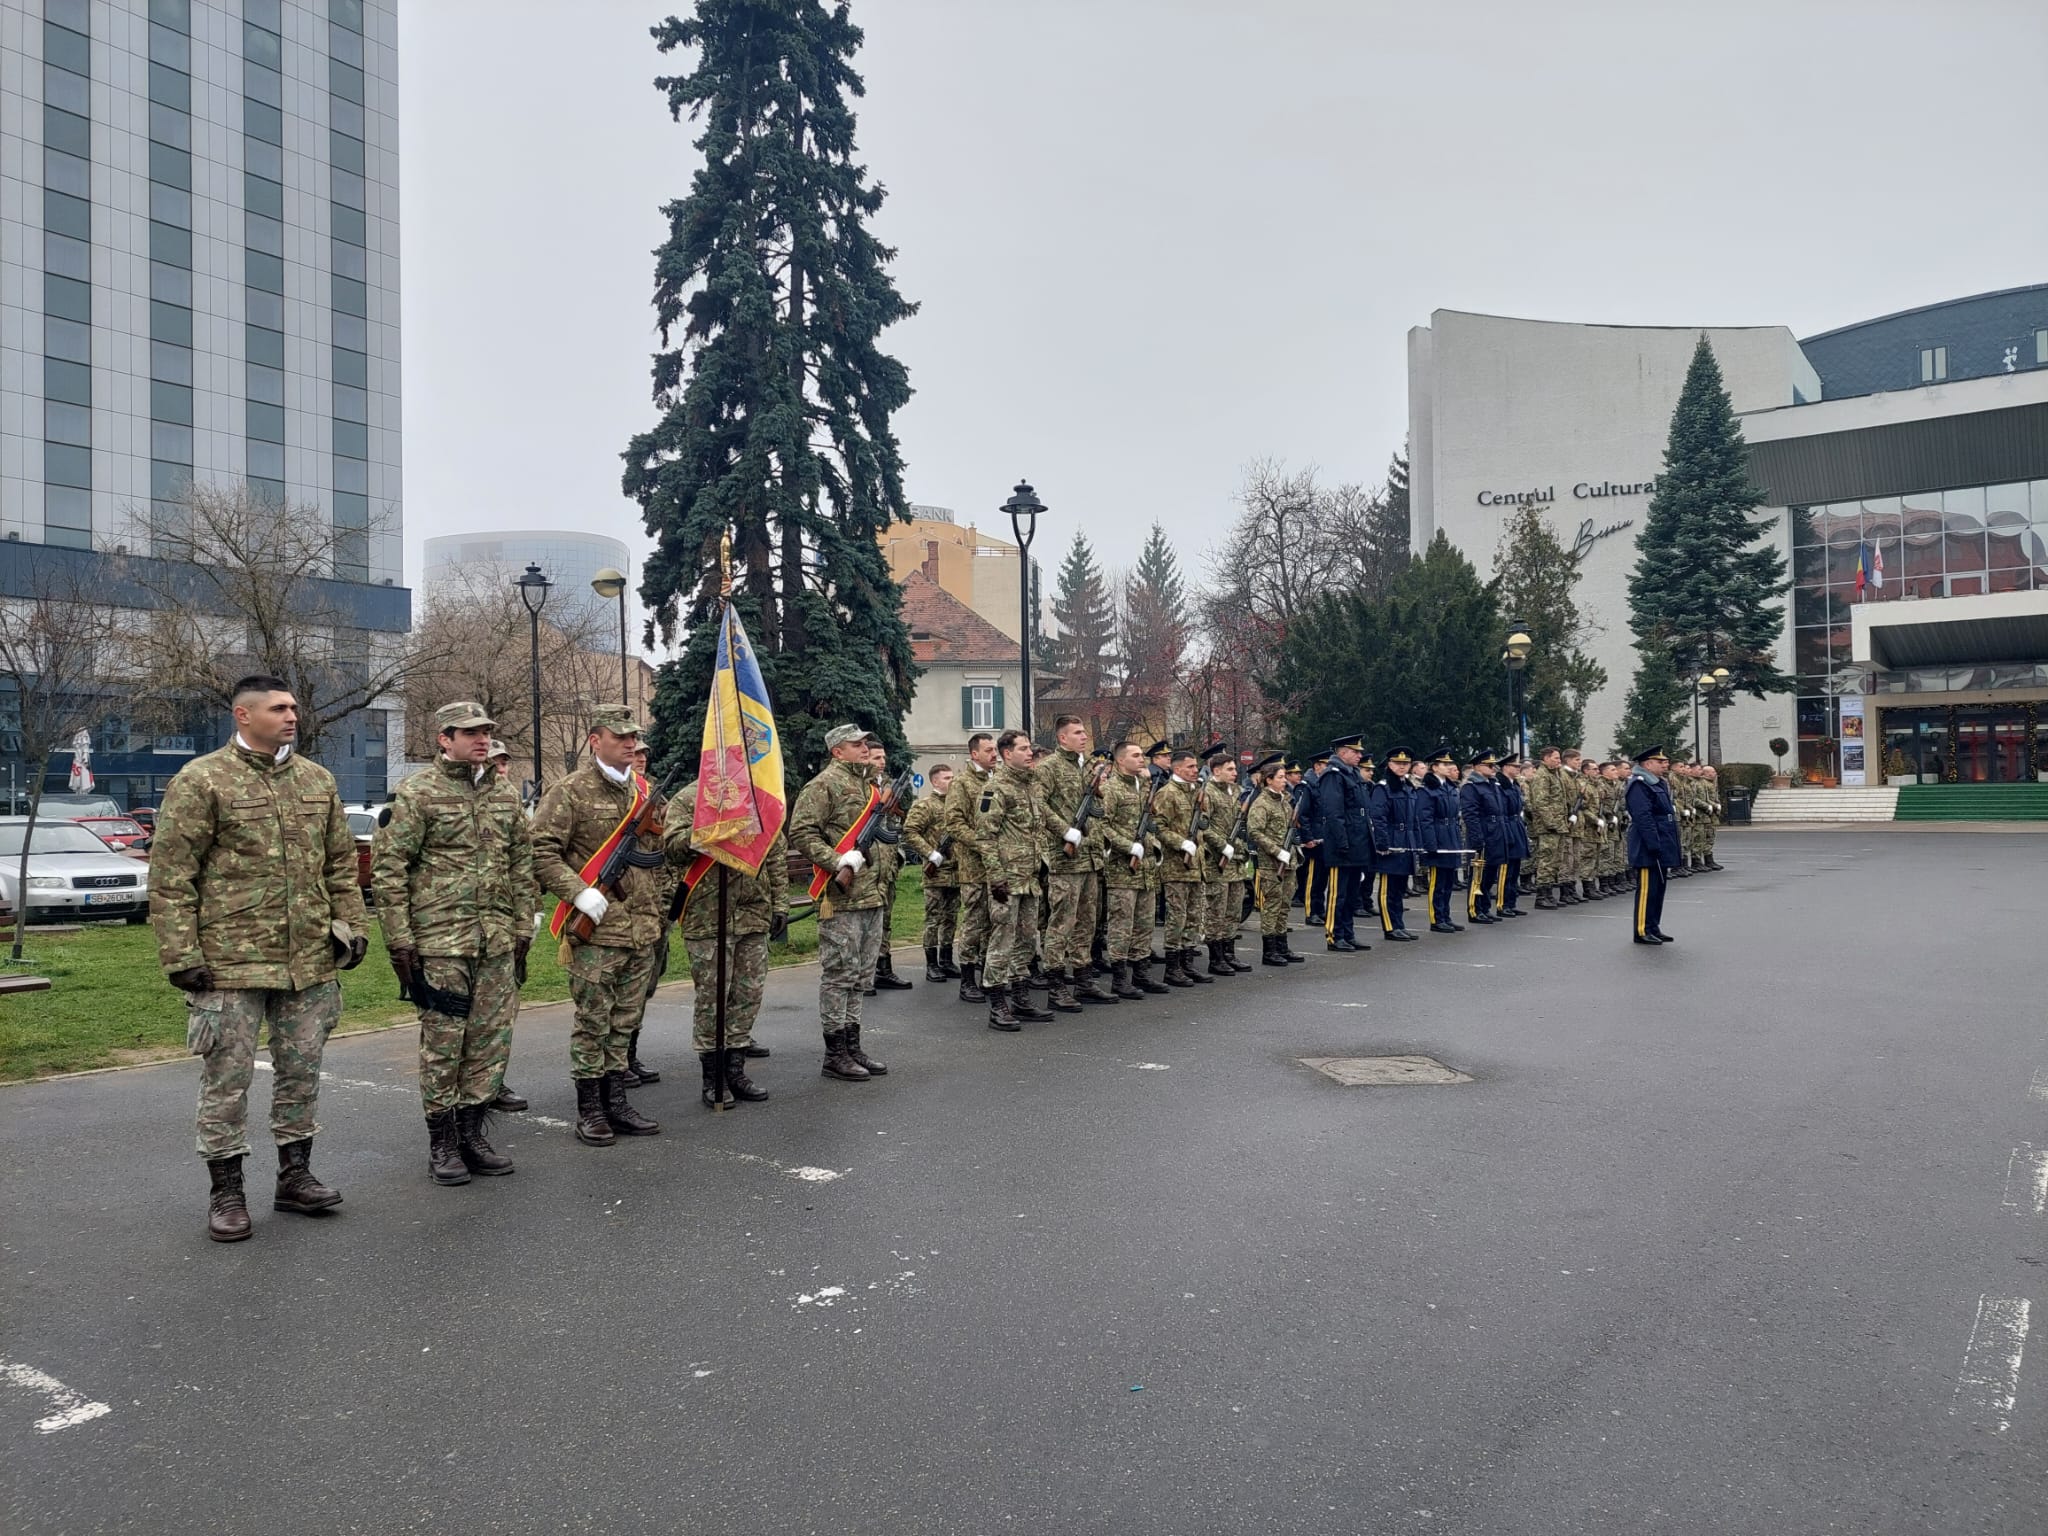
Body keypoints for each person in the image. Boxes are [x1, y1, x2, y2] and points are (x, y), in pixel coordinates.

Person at [151, 674, 369, 1242]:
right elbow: (172, 875)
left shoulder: (316, 780)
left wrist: (352, 928)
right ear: (243, 716)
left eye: (294, 706)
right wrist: (181, 954)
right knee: (228, 1080)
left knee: (301, 1075)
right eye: (278, 708)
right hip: (229, 962)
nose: (292, 715)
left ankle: (294, 1177)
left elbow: (341, 865)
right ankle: (227, 1193)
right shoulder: (202, 780)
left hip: (309, 961)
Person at [373, 700, 536, 1185]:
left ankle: (472, 1133)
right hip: (440, 942)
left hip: (496, 942)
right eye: (469, 733)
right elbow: (389, 871)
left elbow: (521, 864)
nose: (481, 739)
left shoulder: (504, 795)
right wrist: (400, 943)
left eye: (486, 731)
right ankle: (442, 1143)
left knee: (489, 1043)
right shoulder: (417, 793)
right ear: (444, 738)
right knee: (444, 1046)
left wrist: (523, 926)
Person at [531, 707, 666, 1145]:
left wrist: (660, 908)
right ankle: (590, 1108)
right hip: (597, 929)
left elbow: (657, 856)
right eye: (620, 736)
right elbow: (541, 851)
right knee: (594, 1022)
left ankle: (617, 1102)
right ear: (595, 740)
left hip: (640, 927)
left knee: (625, 1021)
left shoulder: (644, 792)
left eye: (634, 737)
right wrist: (578, 893)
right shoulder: (568, 792)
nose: (630, 743)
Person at [664, 783, 785, 1106]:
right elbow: (672, 847)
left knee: (747, 995)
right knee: (713, 997)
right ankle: (712, 1077)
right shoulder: (689, 798)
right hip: (708, 914)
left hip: (753, 912)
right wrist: (711, 826)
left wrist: (781, 904)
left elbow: (774, 852)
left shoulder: (757, 797)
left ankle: (736, 1069)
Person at [788, 724, 894, 1078]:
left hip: (872, 894)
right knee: (839, 975)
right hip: (842, 897)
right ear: (837, 751)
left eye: (866, 742)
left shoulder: (869, 784)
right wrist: (837, 862)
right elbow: (801, 832)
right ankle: (835, 1053)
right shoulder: (823, 785)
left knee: (862, 976)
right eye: (856, 744)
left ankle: (853, 1045)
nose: (865, 748)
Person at [1035, 715, 1112, 1010]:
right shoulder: (1048, 768)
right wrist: (1063, 830)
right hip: (1064, 859)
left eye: (1084, 732)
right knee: (1061, 924)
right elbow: (1038, 804)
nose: (1084, 737)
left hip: (1090, 858)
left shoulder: (1087, 768)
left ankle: (1083, 980)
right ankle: (1056, 985)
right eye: (1077, 733)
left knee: (1086, 923)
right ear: (1062, 738)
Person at [975, 729, 1051, 1030]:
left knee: (1026, 941)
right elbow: (985, 836)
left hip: (1030, 877)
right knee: (1002, 942)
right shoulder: (996, 789)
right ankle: (997, 1004)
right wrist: (996, 877)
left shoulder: (1031, 785)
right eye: (1023, 748)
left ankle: (1021, 997)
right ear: (1007, 754)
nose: (1029, 752)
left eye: (1030, 747)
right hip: (1006, 879)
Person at [1148, 747, 1211, 986]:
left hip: (1196, 865)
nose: (1196, 770)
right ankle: (1172, 967)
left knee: (1193, 916)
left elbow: (1202, 822)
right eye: (1191, 767)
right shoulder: (1168, 793)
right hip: (1176, 866)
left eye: (1196, 766)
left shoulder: (1194, 791)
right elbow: (1159, 827)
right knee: (1177, 917)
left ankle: (1187, 963)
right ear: (1177, 769)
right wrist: (1181, 843)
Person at [944, 733, 998, 1003]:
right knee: (974, 924)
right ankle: (967, 980)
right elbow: (953, 822)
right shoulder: (962, 783)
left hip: (998, 866)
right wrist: (982, 843)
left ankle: (990, 977)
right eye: (988, 750)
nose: (994, 754)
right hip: (974, 866)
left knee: (994, 922)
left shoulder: (997, 779)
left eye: (996, 749)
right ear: (974, 754)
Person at [861, 738, 914, 995]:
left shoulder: (889, 786)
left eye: (883, 758)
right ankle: (865, 973)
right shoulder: (860, 788)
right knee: (866, 922)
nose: (881, 762)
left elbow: (892, 826)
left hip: (887, 864)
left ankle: (884, 968)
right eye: (875, 758)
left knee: (886, 919)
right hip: (867, 866)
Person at [1313, 736, 1370, 953]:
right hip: (1342, 845)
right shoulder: (1333, 775)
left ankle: (1348, 933)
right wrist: (1342, 842)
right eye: (1355, 752)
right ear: (1342, 752)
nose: (1360, 755)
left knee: (1352, 892)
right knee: (1339, 893)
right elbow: (1334, 813)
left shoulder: (1352, 774)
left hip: (1357, 842)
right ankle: (1334, 935)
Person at [902, 763, 959, 981]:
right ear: (935, 781)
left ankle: (946, 959)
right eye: (946, 778)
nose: (951, 781)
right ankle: (931, 964)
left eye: (952, 777)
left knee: (951, 918)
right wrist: (930, 853)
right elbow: (910, 831)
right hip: (935, 872)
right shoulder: (925, 805)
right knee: (933, 918)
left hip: (955, 872)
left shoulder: (956, 805)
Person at [1247, 755, 1305, 965]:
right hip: (1271, 863)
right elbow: (1255, 832)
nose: (1284, 780)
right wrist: (1276, 851)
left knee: (1284, 905)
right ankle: (1269, 950)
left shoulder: (1284, 801)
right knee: (1272, 906)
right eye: (1280, 777)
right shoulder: (1262, 803)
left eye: (1284, 777)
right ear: (1268, 779)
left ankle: (1282, 946)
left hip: (1288, 861)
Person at [1625, 746, 1682, 944]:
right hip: (1648, 843)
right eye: (1660, 762)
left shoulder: (1657, 783)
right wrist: (1653, 843)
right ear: (1648, 764)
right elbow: (1643, 817)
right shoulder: (1640, 784)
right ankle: (1642, 930)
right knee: (1647, 890)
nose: (1664, 765)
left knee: (1658, 889)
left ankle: (1653, 926)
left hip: (1662, 840)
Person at [1197, 747, 1244, 978]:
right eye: (1230, 769)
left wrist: (1240, 850)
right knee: (1216, 910)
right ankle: (1215, 958)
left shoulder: (1236, 792)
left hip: (1235, 861)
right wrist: (1222, 845)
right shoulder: (1207, 793)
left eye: (1235, 768)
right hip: (1217, 861)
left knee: (1233, 910)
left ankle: (1229, 953)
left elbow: (1240, 827)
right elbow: (1203, 826)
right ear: (1216, 770)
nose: (1235, 772)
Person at [1369, 747, 1419, 940]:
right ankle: (1390, 927)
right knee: (1388, 888)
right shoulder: (1383, 787)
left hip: (1406, 841)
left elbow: (1414, 820)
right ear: (1389, 764)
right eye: (1398, 763)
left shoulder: (1408, 786)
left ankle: (1399, 924)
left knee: (1399, 888)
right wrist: (1383, 843)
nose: (1402, 767)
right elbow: (1378, 817)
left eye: (1405, 764)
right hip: (1391, 841)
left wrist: (1416, 844)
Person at [1458, 750, 1505, 926]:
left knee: (1490, 874)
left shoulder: (1492, 784)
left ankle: (1485, 908)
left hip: (1495, 833)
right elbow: (1470, 815)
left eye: (1494, 765)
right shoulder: (1471, 787)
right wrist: (1477, 838)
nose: (1493, 768)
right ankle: (1474, 909)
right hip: (1483, 833)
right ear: (1477, 767)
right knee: (1478, 875)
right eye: (1489, 765)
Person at [1422, 749, 1465, 934]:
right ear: (1434, 767)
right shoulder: (1428, 789)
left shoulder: (1449, 787)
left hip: (1451, 836)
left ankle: (1446, 916)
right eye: (1444, 764)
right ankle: (1436, 918)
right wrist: (1431, 844)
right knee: (1437, 882)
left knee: (1448, 882)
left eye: (1449, 764)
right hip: (1438, 836)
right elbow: (1425, 819)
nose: (1449, 767)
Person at [1527, 746, 1570, 910]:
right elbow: (1540, 803)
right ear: (1545, 758)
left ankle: (1549, 893)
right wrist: (1551, 823)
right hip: (1549, 827)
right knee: (1546, 860)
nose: (1558, 761)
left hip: (1558, 825)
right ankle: (1541, 896)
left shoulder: (1555, 774)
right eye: (1555, 758)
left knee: (1555, 861)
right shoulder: (1542, 776)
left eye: (1559, 758)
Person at [1495, 753, 1530, 916]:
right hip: (1507, 825)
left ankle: (1511, 902)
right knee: (1506, 870)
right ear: (1505, 767)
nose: (1518, 769)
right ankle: (1502, 904)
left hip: (1516, 824)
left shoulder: (1514, 784)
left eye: (1518, 767)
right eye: (1515, 767)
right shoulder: (1500, 785)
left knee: (1515, 868)